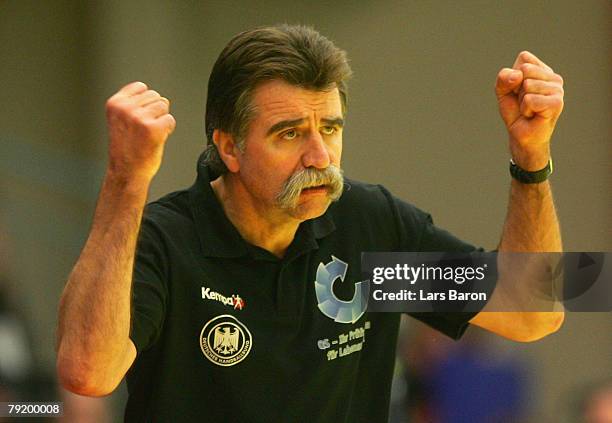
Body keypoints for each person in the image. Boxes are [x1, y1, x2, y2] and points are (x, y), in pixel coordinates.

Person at [56, 25, 565, 422]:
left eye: (330, 128)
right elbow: (88, 374)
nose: (319, 155)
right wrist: (126, 181)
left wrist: (531, 157)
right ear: (228, 146)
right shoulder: (165, 241)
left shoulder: (370, 231)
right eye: (290, 133)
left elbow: (531, 312)